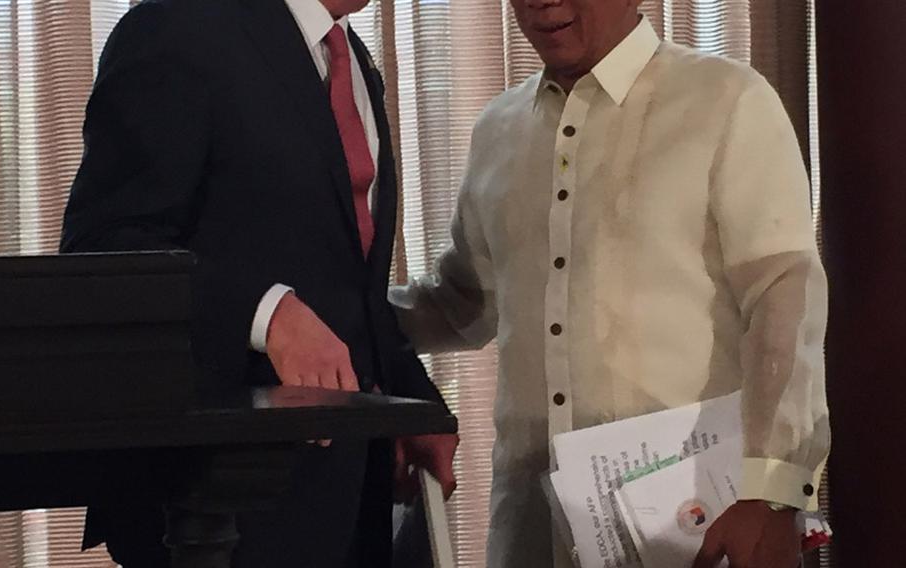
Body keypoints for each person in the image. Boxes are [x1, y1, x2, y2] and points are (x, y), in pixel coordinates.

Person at [389, 0, 829, 567]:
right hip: (530, 530)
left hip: (699, 527)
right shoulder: (496, 131)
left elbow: (784, 303)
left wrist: (772, 491)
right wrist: (338, 319)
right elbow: (462, 304)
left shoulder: (726, 102)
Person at [60, 0, 458, 566]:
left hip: (349, 498)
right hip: (209, 508)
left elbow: (349, 285)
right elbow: (103, 247)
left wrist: (416, 404)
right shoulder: (175, 26)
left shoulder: (354, 57)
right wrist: (264, 311)